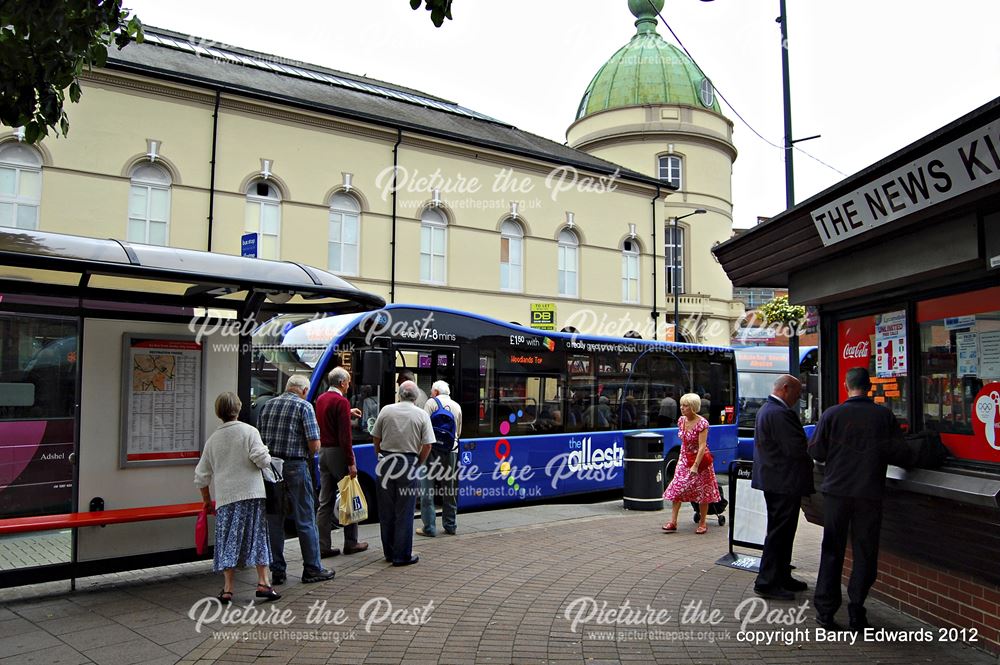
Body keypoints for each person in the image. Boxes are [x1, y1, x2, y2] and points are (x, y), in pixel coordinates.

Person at [809, 367, 907, 631]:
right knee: (865, 552)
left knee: (832, 550)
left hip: (836, 492)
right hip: (869, 493)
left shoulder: (832, 414)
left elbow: (817, 450)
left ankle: (826, 613)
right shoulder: (883, 415)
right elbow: (899, 452)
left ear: (845, 385)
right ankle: (857, 610)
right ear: (870, 387)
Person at [194, 392, 280, 603]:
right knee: (258, 537)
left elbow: (201, 476)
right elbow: (261, 459)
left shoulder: (212, 440)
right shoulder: (249, 431)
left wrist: (206, 501)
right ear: (239, 409)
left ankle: (228, 588)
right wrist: (267, 454)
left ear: (218, 413)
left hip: (226, 498)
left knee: (228, 541)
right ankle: (263, 583)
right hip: (251, 494)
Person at [257, 374, 335, 585]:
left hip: (271, 467)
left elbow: (260, 440)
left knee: (274, 520)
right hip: (295, 466)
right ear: (303, 391)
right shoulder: (304, 407)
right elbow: (314, 444)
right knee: (305, 518)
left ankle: (278, 571)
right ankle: (312, 568)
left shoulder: (267, 406)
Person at [751, 374, 814, 601]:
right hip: (783, 481)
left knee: (783, 532)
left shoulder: (766, 410)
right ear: (785, 388)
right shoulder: (780, 413)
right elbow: (796, 448)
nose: (797, 399)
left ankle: (781, 575)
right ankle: (768, 582)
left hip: (776, 480)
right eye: (797, 394)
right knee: (779, 533)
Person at [372, 380, 433, 566]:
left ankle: (389, 552)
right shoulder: (422, 415)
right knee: (405, 511)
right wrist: (417, 463)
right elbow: (428, 445)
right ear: (416, 396)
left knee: (386, 511)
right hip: (409, 463)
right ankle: (402, 555)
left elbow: (376, 437)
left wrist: (380, 454)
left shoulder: (386, 410)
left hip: (386, 462)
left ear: (399, 394)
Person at [316, 367, 369, 558]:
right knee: (348, 495)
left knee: (325, 501)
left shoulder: (321, 399)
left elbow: (328, 421)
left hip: (323, 452)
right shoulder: (341, 401)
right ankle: (351, 543)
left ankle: (323, 546)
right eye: (347, 382)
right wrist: (351, 462)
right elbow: (345, 436)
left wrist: (348, 412)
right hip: (338, 453)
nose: (349, 385)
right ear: (341, 383)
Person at [661, 393, 721, 534]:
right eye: (681, 405)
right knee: (677, 486)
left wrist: (695, 465)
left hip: (699, 460)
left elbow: (702, 446)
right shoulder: (681, 420)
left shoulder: (702, 423)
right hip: (684, 457)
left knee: (702, 490)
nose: (682, 408)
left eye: (685, 405)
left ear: (693, 407)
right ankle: (673, 522)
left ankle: (702, 522)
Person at [417, 380, 462, 537]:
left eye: (431, 392)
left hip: (431, 450)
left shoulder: (430, 403)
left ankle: (429, 527)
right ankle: (450, 525)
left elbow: (424, 429)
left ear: (435, 392)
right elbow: (459, 432)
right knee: (449, 489)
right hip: (451, 450)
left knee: (427, 490)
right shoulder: (457, 406)